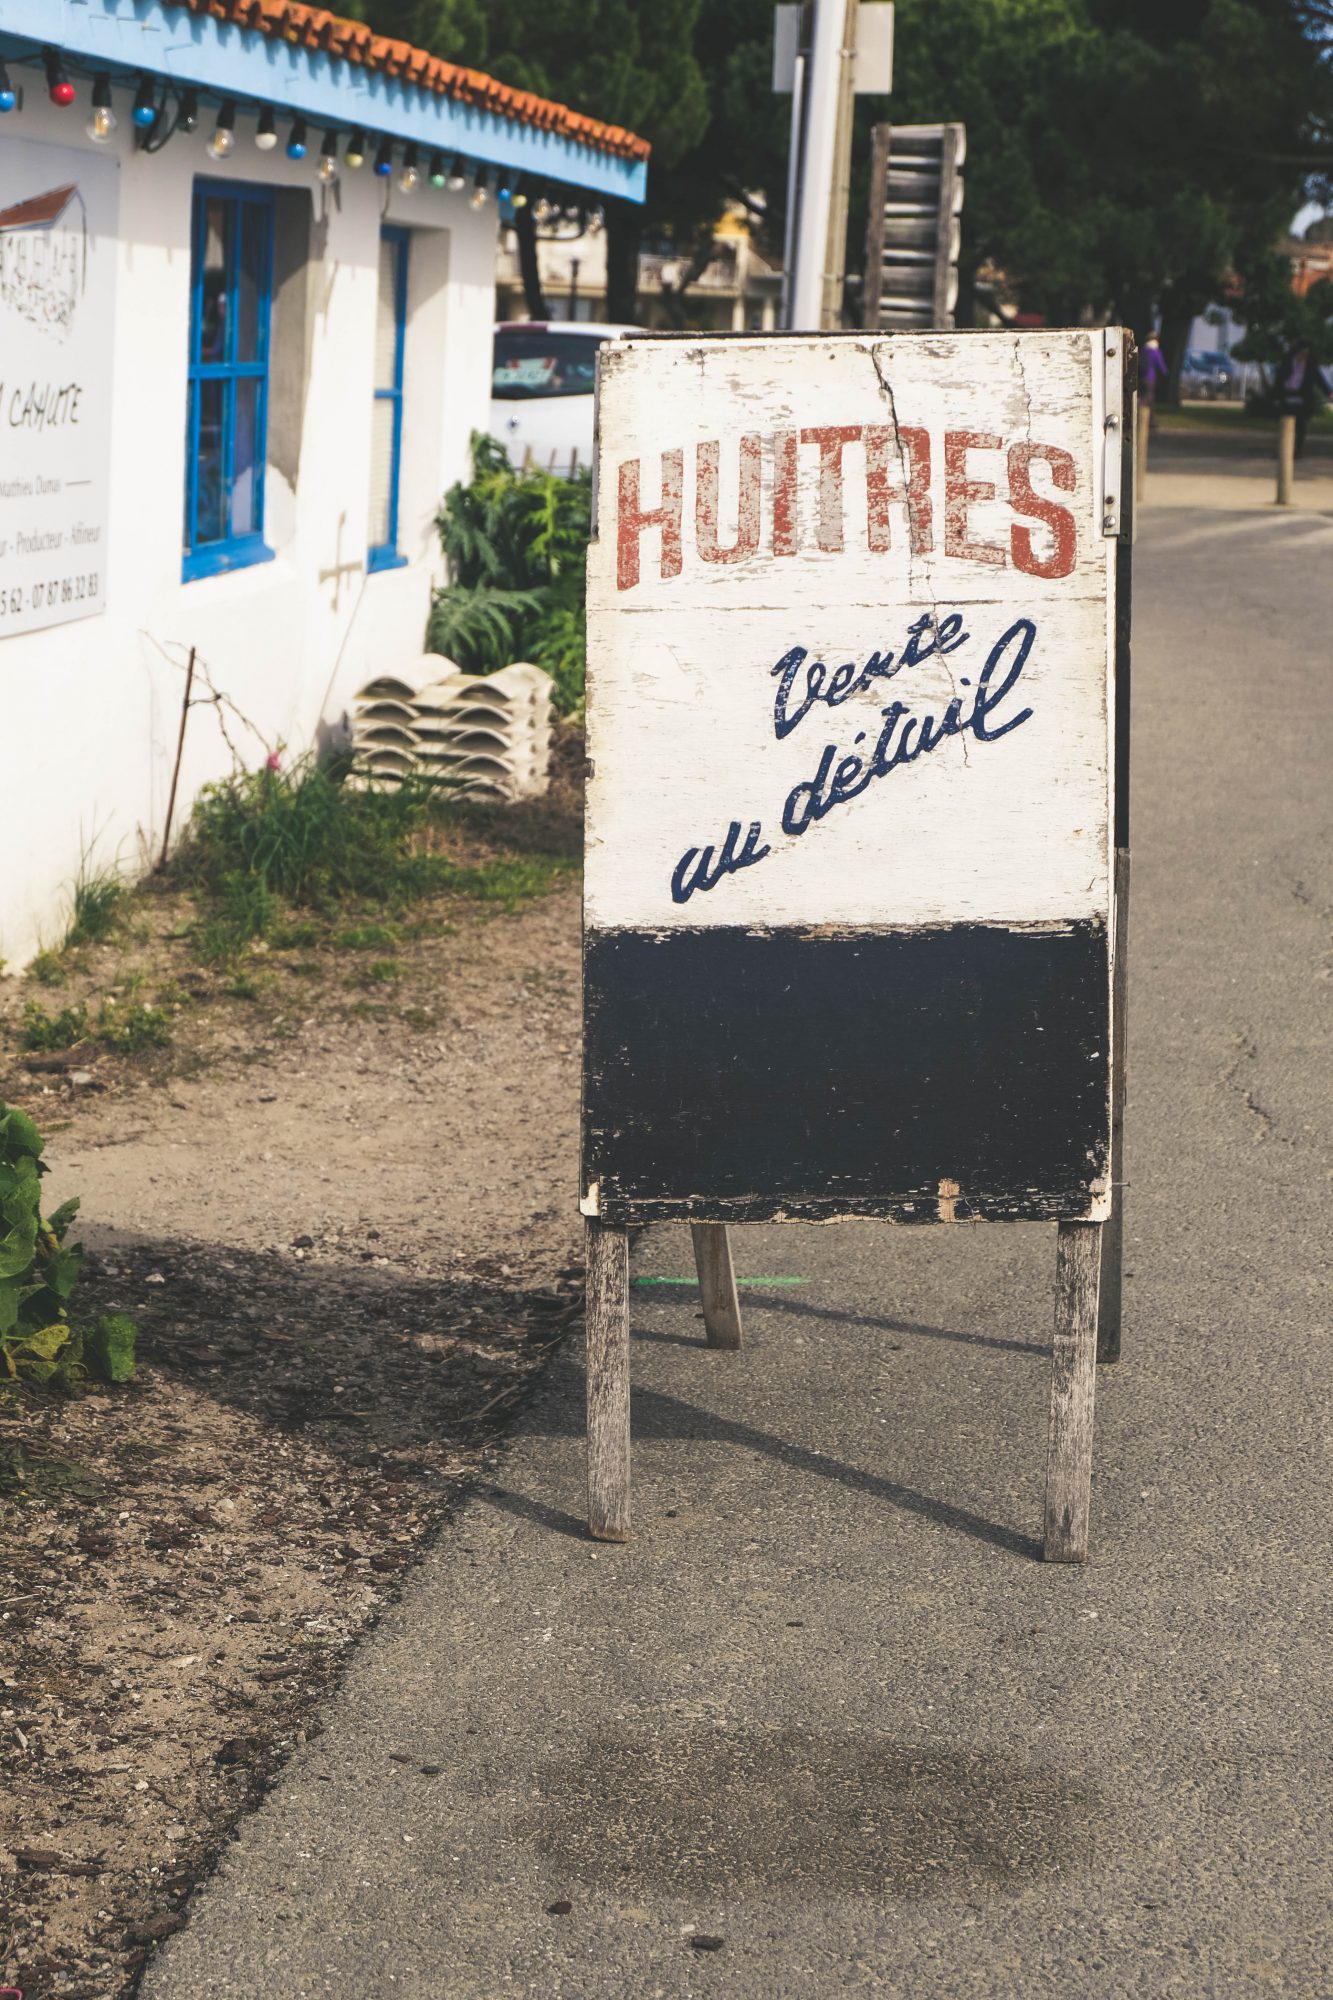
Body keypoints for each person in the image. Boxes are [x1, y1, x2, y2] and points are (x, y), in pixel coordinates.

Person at [1278, 343, 1332, 458]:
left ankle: (1297, 450)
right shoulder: (1287, 362)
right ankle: (1284, 450)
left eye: (1305, 354)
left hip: (1302, 397)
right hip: (1288, 395)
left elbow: (1319, 380)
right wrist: (1276, 396)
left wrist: (1329, 392)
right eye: (1301, 353)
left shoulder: (1310, 365)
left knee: (1301, 425)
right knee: (1285, 423)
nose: (1303, 356)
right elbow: (1279, 379)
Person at [1139, 330, 1169, 415]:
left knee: (1144, 395)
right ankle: (1147, 416)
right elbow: (1161, 364)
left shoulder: (1143, 349)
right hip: (1150, 377)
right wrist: (1165, 373)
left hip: (1142, 377)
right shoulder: (1155, 351)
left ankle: (1147, 415)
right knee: (1149, 396)